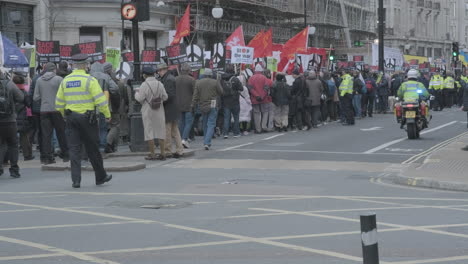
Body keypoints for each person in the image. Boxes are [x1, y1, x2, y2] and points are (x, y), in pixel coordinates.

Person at [55, 54, 112, 188]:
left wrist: (65, 114)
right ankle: (100, 177)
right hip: (87, 119)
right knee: (93, 148)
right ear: (86, 65)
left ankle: (76, 180)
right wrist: (107, 114)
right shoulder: (90, 80)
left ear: (73, 65)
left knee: (74, 150)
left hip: (71, 118)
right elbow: (100, 100)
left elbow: (58, 103)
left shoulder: (65, 81)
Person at [34, 62, 69, 164]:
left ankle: (47, 157)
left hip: (44, 110)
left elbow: (36, 97)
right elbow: (65, 95)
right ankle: (66, 155)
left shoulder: (39, 80)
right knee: (61, 133)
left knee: (46, 135)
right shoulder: (59, 79)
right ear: (54, 70)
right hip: (57, 110)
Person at [135, 67, 168, 160]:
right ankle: (162, 153)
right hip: (159, 110)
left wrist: (136, 94)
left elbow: (140, 98)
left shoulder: (144, 85)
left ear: (144, 75)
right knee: (161, 131)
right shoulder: (160, 84)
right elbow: (165, 97)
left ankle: (152, 154)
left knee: (149, 132)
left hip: (148, 110)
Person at [0, 69, 24, 178]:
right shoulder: (10, 84)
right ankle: (14, 169)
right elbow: (21, 97)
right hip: (10, 120)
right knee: (13, 145)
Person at [191, 68, 223, 150]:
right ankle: (207, 142)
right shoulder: (215, 82)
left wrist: (193, 105)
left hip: (202, 104)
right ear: (211, 75)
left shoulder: (198, 82)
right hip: (212, 104)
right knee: (211, 124)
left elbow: (195, 96)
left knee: (205, 123)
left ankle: (206, 140)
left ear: (204, 74)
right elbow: (221, 92)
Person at [89, 62, 119, 151]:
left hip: (91, 107)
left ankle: (94, 146)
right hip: (103, 105)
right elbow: (115, 88)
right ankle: (102, 146)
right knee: (103, 127)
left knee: (92, 127)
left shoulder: (88, 77)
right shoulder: (106, 76)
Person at [157, 63, 183, 158]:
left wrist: (160, 101)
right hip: (173, 108)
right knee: (175, 131)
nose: (158, 72)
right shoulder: (169, 78)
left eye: (159, 70)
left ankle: (167, 150)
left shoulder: (168, 79)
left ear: (164, 70)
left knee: (167, 131)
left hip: (169, 108)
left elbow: (169, 95)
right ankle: (179, 149)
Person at [12, 71, 34, 161]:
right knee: (24, 137)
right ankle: (27, 155)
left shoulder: (9, 90)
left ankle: (8, 158)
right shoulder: (24, 92)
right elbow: (28, 104)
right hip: (22, 117)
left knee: (8, 139)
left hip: (11, 117)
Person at [102, 63, 122, 154]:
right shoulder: (112, 80)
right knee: (115, 126)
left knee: (108, 126)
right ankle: (108, 143)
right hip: (112, 107)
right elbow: (116, 92)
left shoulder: (99, 79)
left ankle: (111, 145)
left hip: (102, 106)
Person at [176, 63, 195, 148]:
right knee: (188, 122)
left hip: (178, 104)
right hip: (188, 104)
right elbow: (195, 92)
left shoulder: (175, 79)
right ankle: (184, 139)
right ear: (188, 71)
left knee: (181, 123)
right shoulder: (191, 79)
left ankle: (180, 139)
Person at [248, 64, 272, 133]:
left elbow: (250, 88)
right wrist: (262, 96)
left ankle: (258, 129)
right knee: (265, 112)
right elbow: (266, 88)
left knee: (256, 113)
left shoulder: (251, 78)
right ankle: (264, 126)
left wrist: (256, 96)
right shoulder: (264, 78)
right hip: (264, 99)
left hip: (254, 99)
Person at [221, 64, 243, 139]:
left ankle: (225, 133)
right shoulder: (235, 79)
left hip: (225, 101)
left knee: (227, 118)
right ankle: (236, 133)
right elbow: (241, 88)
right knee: (236, 117)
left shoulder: (221, 79)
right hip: (235, 100)